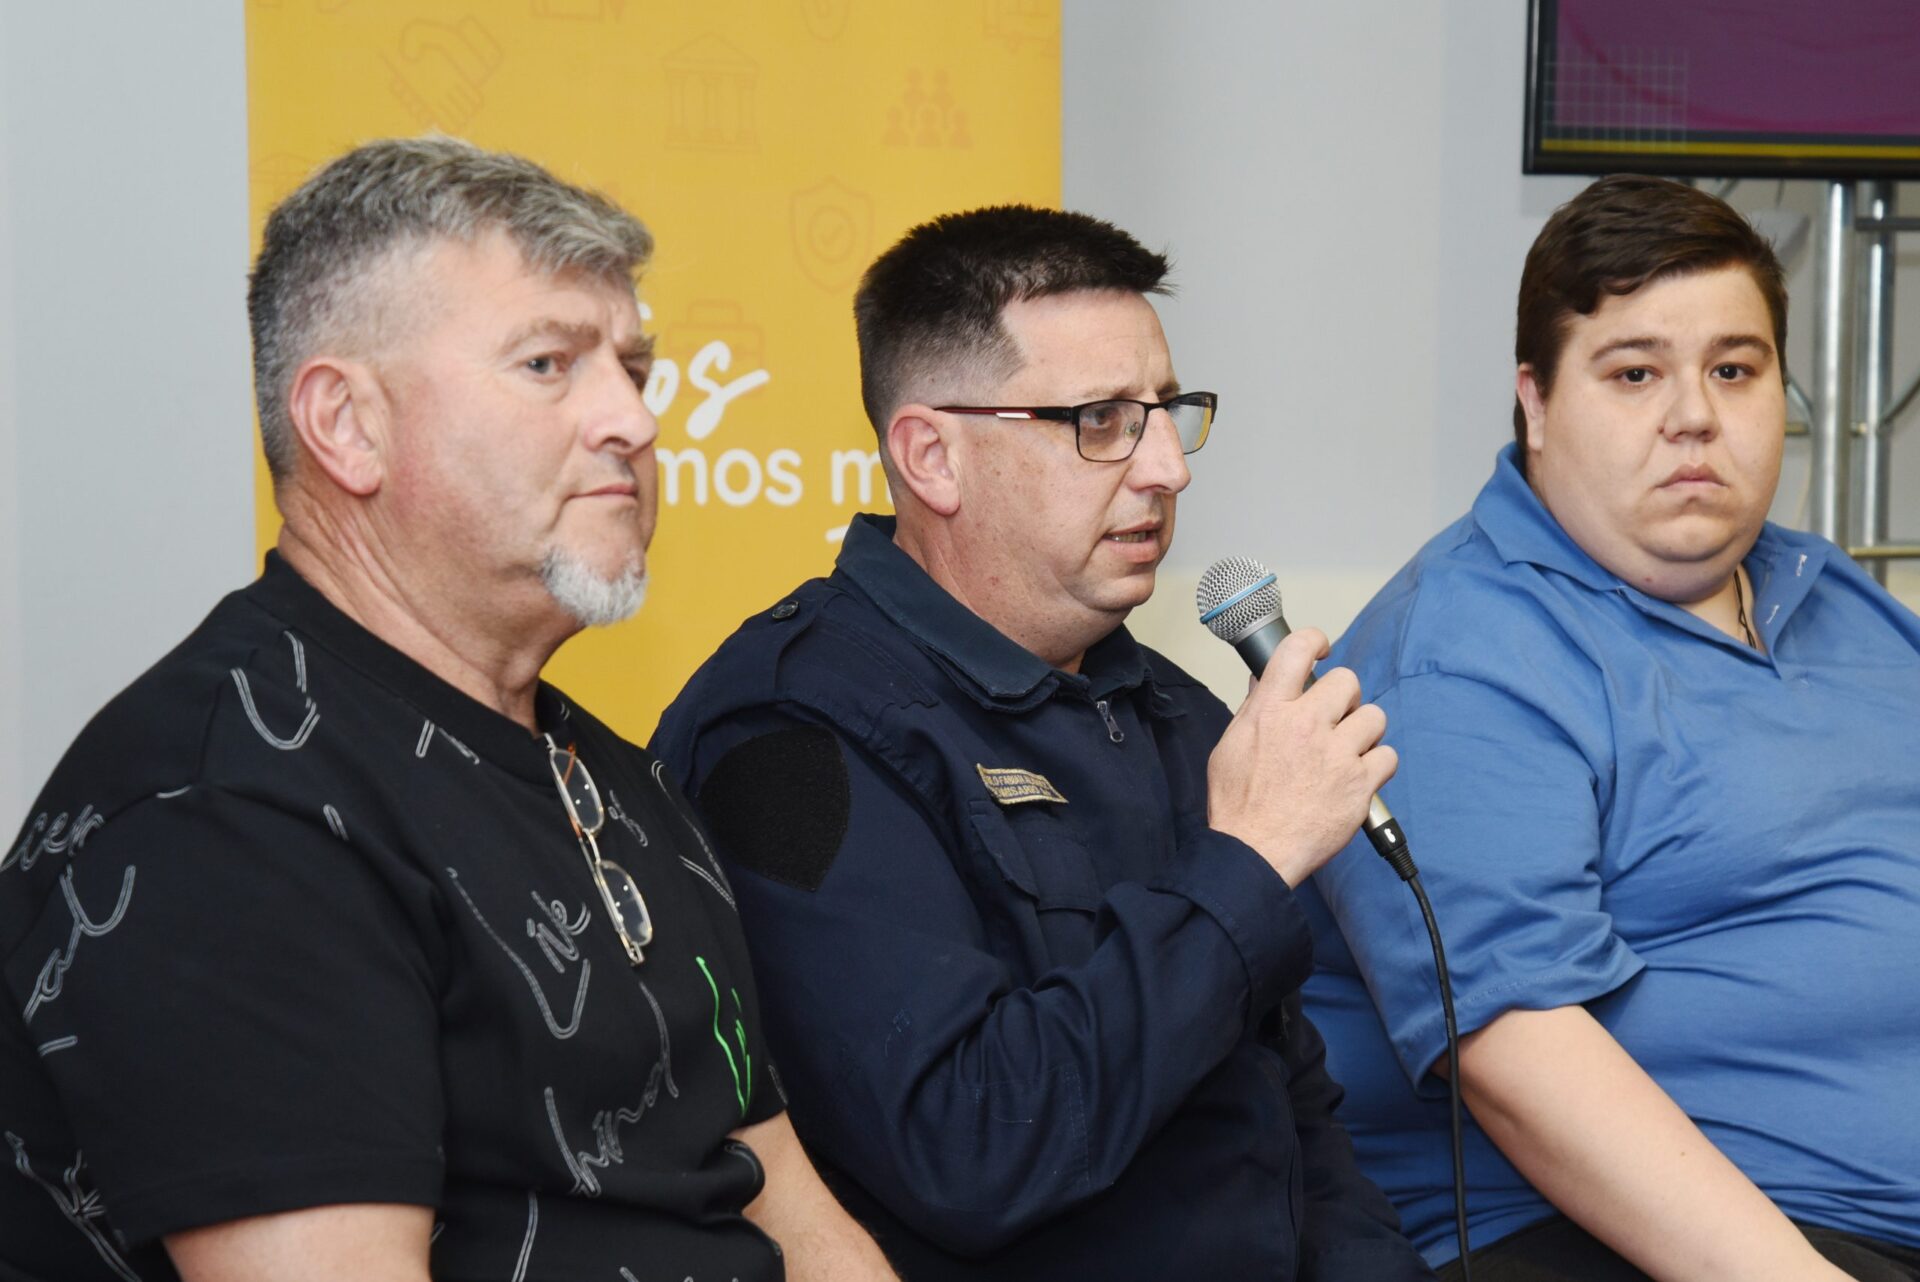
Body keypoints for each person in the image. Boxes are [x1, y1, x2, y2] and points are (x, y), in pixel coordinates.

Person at [0, 137, 894, 1282]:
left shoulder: (618, 778)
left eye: (633, 367)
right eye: (548, 364)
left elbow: (795, 1214)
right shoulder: (228, 813)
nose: (632, 419)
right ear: (346, 424)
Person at [651, 205, 1433, 1281]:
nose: (1168, 468)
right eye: (1103, 420)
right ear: (932, 456)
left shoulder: (1178, 712)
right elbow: (972, 1146)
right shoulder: (789, 730)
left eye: (1169, 412)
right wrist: (1247, 864)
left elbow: (1295, 1127)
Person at [1302, 174, 1920, 1281]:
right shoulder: (1461, 651)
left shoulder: (1841, 599)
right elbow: (1517, 1056)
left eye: (1734, 369)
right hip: (1674, 1244)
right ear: (1536, 403)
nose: (1695, 415)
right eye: (1635, 373)